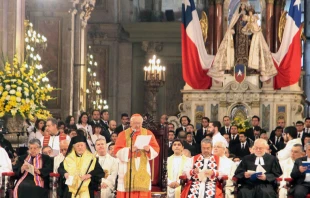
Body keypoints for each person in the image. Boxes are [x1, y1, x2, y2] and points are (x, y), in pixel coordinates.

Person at [114, 114, 160, 198]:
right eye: (135, 123)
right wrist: (129, 150)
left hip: (143, 165)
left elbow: (156, 149)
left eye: (139, 123)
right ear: (130, 123)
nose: (138, 125)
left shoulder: (148, 133)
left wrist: (148, 149)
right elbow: (117, 151)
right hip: (127, 165)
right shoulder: (123, 134)